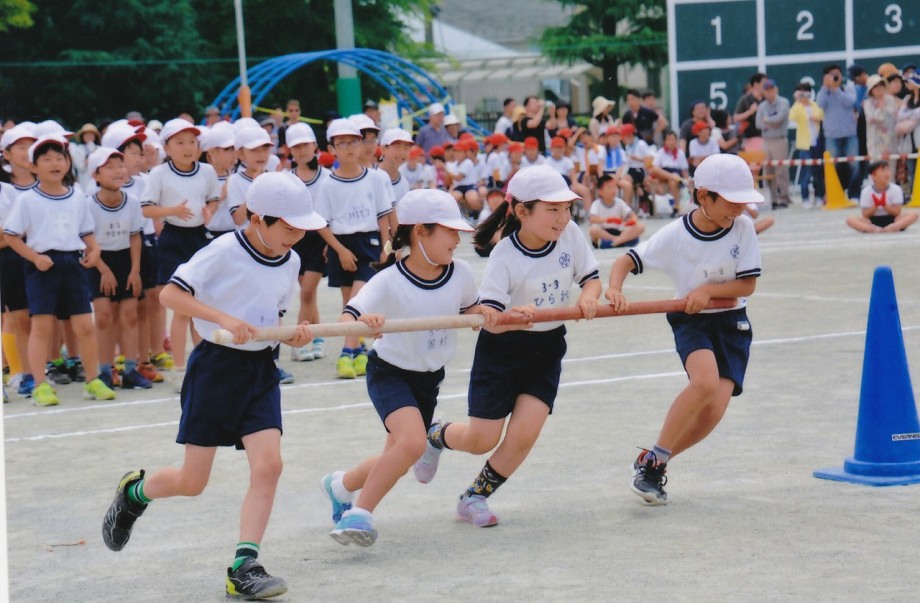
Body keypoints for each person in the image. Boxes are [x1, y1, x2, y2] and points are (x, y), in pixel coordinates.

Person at [101, 172, 321, 600]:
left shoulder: (291, 260)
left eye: (301, 230)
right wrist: (222, 318)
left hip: (261, 370)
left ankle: (244, 566)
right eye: (289, 228)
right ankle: (134, 493)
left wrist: (290, 335)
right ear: (257, 219)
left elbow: (271, 318)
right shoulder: (223, 250)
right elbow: (170, 295)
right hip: (215, 369)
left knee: (269, 466)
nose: (296, 238)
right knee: (192, 481)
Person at [412, 165, 601, 526]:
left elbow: (590, 278)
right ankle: (435, 435)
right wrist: (513, 317)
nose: (563, 218)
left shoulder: (571, 235)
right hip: (502, 352)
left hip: (548, 348)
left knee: (525, 434)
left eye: (567, 208)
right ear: (522, 211)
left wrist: (589, 297)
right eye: (553, 210)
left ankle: (474, 496)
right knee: (482, 439)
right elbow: (490, 320)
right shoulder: (505, 255)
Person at [321, 189, 488, 546]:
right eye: (449, 231)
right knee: (412, 444)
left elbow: (472, 310)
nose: (457, 240)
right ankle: (359, 514)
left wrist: (484, 315)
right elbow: (346, 318)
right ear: (420, 232)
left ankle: (341, 485)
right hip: (390, 373)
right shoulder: (388, 280)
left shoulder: (461, 274)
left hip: (429, 378)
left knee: (396, 456)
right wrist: (365, 321)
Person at [605, 153, 763, 505]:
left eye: (743, 202)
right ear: (703, 196)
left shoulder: (743, 228)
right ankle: (654, 464)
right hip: (691, 320)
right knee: (704, 383)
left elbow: (747, 284)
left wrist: (708, 290)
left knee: (713, 411)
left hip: (733, 323)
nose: (739, 209)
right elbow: (625, 261)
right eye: (731, 201)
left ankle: (653, 460)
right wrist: (614, 289)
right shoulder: (676, 235)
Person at [2, 135, 116, 405]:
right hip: (42, 267)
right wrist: (34, 257)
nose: (55, 163)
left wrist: (95, 251)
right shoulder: (27, 199)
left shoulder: (76, 196)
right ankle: (40, 385)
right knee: (41, 327)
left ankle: (92, 380)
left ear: (67, 163)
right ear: (34, 167)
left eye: (60, 158)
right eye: (47, 159)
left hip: (73, 264)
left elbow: (86, 231)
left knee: (84, 326)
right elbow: (11, 235)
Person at [140, 119, 223, 382]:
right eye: (180, 142)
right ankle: (179, 368)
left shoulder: (207, 171)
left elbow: (214, 198)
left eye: (192, 142)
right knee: (181, 307)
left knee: (201, 304)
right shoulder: (159, 174)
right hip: (173, 238)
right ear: (166, 147)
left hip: (200, 238)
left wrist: (209, 210)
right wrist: (172, 211)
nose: (188, 148)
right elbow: (146, 209)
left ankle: (202, 364)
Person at [314, 118, 393, 379]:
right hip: (341, 244)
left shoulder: (375, 179)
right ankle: (358, 351)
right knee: (348, 301)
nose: (349, 147)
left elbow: (383, 215)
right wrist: (339, 250)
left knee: (357, 300)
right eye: (342, 143)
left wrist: (386, 246)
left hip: (369, 243)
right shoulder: (328, 183)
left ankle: (345, 352)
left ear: (360, 144)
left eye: (353, 142)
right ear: (332, 148)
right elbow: (322, 223)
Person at [84, 147, 152, 390]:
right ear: (95, 175)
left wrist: (135, 270)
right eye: (109, 167)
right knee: (103, 315)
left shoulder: (131, 201)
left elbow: (135, 236)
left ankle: (130, 369)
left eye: (120, 165)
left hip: (126, 259)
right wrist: (103, 270)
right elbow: (87, 240)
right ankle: (105, 370)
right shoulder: (88, 204)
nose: (118, 171)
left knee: (130, 314)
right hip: (99, 261)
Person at [286, 122, 329, 363]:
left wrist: (330, 243)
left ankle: (300, 341)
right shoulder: (286, 179)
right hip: (294, 239)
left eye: (305, 144)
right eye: (296, 146)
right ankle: (318, 335)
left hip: (319, 238)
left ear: (315, 145)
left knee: (307, 292)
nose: (301, 150)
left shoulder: (328, 177)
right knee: (307, 294)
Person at [0, 124, 38, 397]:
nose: (27, 152)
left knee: (32, 318)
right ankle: (19, 372)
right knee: (16, 317)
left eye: (30, 146)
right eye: (21, 147)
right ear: (7, 153)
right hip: (10, 258)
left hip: (33, 257)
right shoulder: (6, 189)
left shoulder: (16, 191)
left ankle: (30, 371)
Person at [818, 64, 861, 199]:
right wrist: (826, 87)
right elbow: (820, 104)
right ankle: (834, 193)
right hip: (832, 134)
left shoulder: (848, 88)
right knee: (832, 165)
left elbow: (850, 102)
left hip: (850, 133)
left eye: (837, 74)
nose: (835, 77)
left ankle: (854, 194)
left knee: (854, 164)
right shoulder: (824, 91)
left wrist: (836, 89)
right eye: (831, 75)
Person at [846, 161, 917, 233]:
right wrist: (876, 205)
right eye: (882, 170)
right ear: (873, 175)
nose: (886, 173)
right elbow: (865, 214)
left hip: (892, 219)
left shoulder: (896, 189)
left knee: (914, 214)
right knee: (850, 219)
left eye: (887, 170)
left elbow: (897, 212)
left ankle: (894, 227)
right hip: (872, 220)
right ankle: (872, 229)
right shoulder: (866, 191)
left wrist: (884, 205)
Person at [755, 79, 791, 208]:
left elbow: (780, 119)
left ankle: (784, 198)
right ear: (764, 92)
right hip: (766, 141)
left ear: (776, 89)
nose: (769, 92)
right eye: (767, 90)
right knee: (768, 170)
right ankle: (773, 199)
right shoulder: (762, 106)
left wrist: (768, 121)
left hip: (779, 140)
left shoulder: (783, 102)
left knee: (781, 170)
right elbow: (758, 123)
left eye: (771, 89)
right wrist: (772, 123)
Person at [788, 83, 825, 208]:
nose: (804, 95)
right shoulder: (797, 107)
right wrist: (797, 101)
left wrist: (814, 115)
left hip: (817, 144)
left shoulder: (814, 105)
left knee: (818, 172)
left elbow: (820, 115)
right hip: (805, 145)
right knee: (806, 173)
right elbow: (792, 116)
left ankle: (819, 196)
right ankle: (805, 198)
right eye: (801, 92)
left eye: (806, 92)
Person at [228, 127, 273, 226]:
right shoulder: (235, 180)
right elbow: (238, 220)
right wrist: (256, 187)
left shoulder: (275, 178)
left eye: (265, 149)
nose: (261, 154)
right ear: (240, 154)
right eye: (254, 150)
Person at [588, 174, 645, 248]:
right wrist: (609, 220)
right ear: (600, 191)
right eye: (609, 187)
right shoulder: (596, 204)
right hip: (604, 232)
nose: (613, 190)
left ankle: (615, 242)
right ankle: (619, 240)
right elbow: (592, 219)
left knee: (640, 226)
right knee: (593, 230)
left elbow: (632, 215)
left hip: (619, 230)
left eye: (614, 187)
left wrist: (631, 221)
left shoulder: (619, 202)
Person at [863, 74, 899, 173]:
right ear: (871, 90)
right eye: (875, 86)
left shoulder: (891, 100)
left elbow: (893, 120)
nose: (879, 88)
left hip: (891, 143)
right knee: (877, 171)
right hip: (875, 145)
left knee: (890, 173)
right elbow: (873, 119)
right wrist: (881, 106)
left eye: (881, 85)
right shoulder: (867, 104)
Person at [649, 130, 688, 216]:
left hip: (677, 174)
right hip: (663, 174)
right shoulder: (661, 152)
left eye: (673, 139)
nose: (671, 142)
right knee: (656, 170)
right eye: (669, 139)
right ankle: (673, 177)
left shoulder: (680, 153)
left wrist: (687, 180)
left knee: (673, 180)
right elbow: (655, 167)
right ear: (665, 141)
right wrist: (671, 176)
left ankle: (676, 206)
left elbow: (684, 170)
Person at [734, 73, 767, 151]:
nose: (766, 86)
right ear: (756, 84)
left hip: (767, 138)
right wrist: (750, 112)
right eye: (764, 83)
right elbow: (736, 118)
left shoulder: (767, 99)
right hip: (750, 138)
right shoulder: (745, 100)